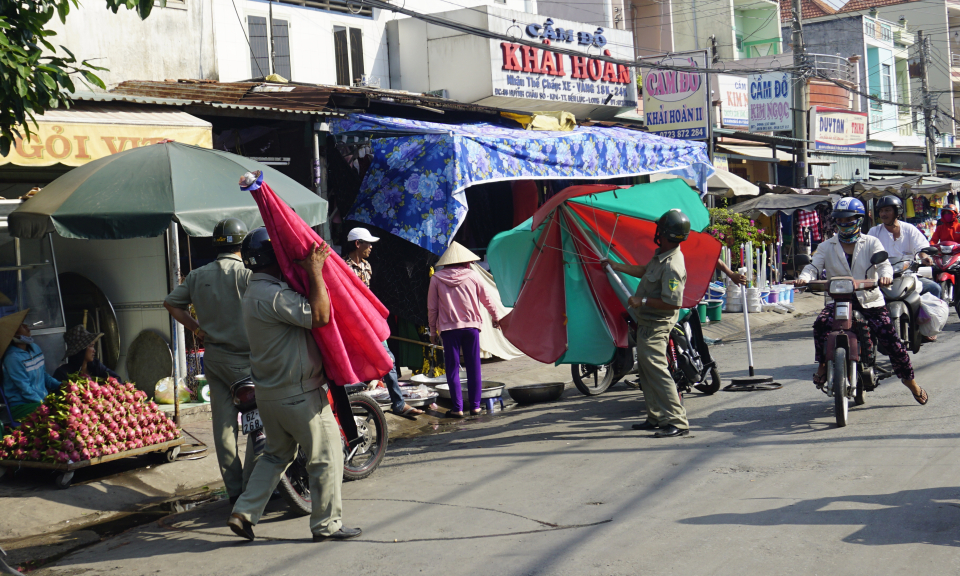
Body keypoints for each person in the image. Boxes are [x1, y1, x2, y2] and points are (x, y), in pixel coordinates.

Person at [228, 227, 360, 542]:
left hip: (271, 396)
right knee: (327, 454)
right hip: (299, 394)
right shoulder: (272, 294)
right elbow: (319, 314)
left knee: (276, 455)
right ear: (274, 257)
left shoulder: (254, 291)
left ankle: (243, 512)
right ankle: (326, 525)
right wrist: (314, 270)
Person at [796, 198, 929, 406]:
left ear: (858, 220)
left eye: (850, 219)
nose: (845, 223)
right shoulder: (826, 245)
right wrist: (804, 278)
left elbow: (883, 264)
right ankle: (822, 365)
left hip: (870, 301)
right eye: (841, 219)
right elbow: (813, 267)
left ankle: (911, 383)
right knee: (821, 325)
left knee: (892, 342)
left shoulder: (872, 242)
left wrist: (884, 276)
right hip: (839, 300)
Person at [164, 218, 257, 506]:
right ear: (242, 245)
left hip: (215, 359)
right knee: (258, 423)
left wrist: (196, 328)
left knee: (224, 426)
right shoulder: (247, 275)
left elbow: (171, 303)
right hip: (246, 361)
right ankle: (255, 483)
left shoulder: (197, 275)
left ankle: (234, 490)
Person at [607, 209, 691, 438]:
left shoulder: (673, 265)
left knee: (657, 371)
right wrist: (618, 266)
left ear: (664, 234)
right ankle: (656, 417)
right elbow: (645, 271)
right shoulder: (662, 255)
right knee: (645, 370)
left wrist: (641, 300)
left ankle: (677, 421)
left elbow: (673, 304)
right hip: (646, 322)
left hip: (657, 325)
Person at [344, 227, 422, 419]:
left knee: (388, 360)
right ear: (357, 244)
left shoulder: (367, 266)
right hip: (353, 324)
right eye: (367, 243)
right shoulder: (343, 268)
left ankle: (398, 403)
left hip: (370, 321)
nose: (371, 247)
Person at [427, 242, 500, 419]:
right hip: (471, 327)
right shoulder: (473, 276)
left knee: (452, 369)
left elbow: (432, 308)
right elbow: (486, 298)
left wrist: (433, 332)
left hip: (448, 329)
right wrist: (495, 316)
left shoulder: (436, 278)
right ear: (465, 262)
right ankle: (475, 406)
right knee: (474, 366)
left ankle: (457, 408)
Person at [867, 195, 940, 299]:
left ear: (897, 212)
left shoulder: (909, 229)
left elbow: (921, 248)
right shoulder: (874, 231)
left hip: (908, 276)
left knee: (934, 288)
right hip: (883, 277)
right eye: (881, 211)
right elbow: (867, 252)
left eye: (887, 210)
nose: (883, 214)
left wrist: (924, 257)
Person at [0, 310, 61, 421]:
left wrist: (60, 385)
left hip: (39, 401)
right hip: (21, 406)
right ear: (14, 334)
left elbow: (44, 375)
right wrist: (45, 404)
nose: (26, 327)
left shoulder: (35, 348)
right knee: (57, 410)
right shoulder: (12, 358)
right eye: (21, 326)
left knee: (67, 402)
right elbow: (25, 389)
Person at [53, 325, 123, 382]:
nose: (94, 350)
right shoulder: (62, 373)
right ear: (81, 350)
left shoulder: (96, 365)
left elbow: (117, 379)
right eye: (91, 346)